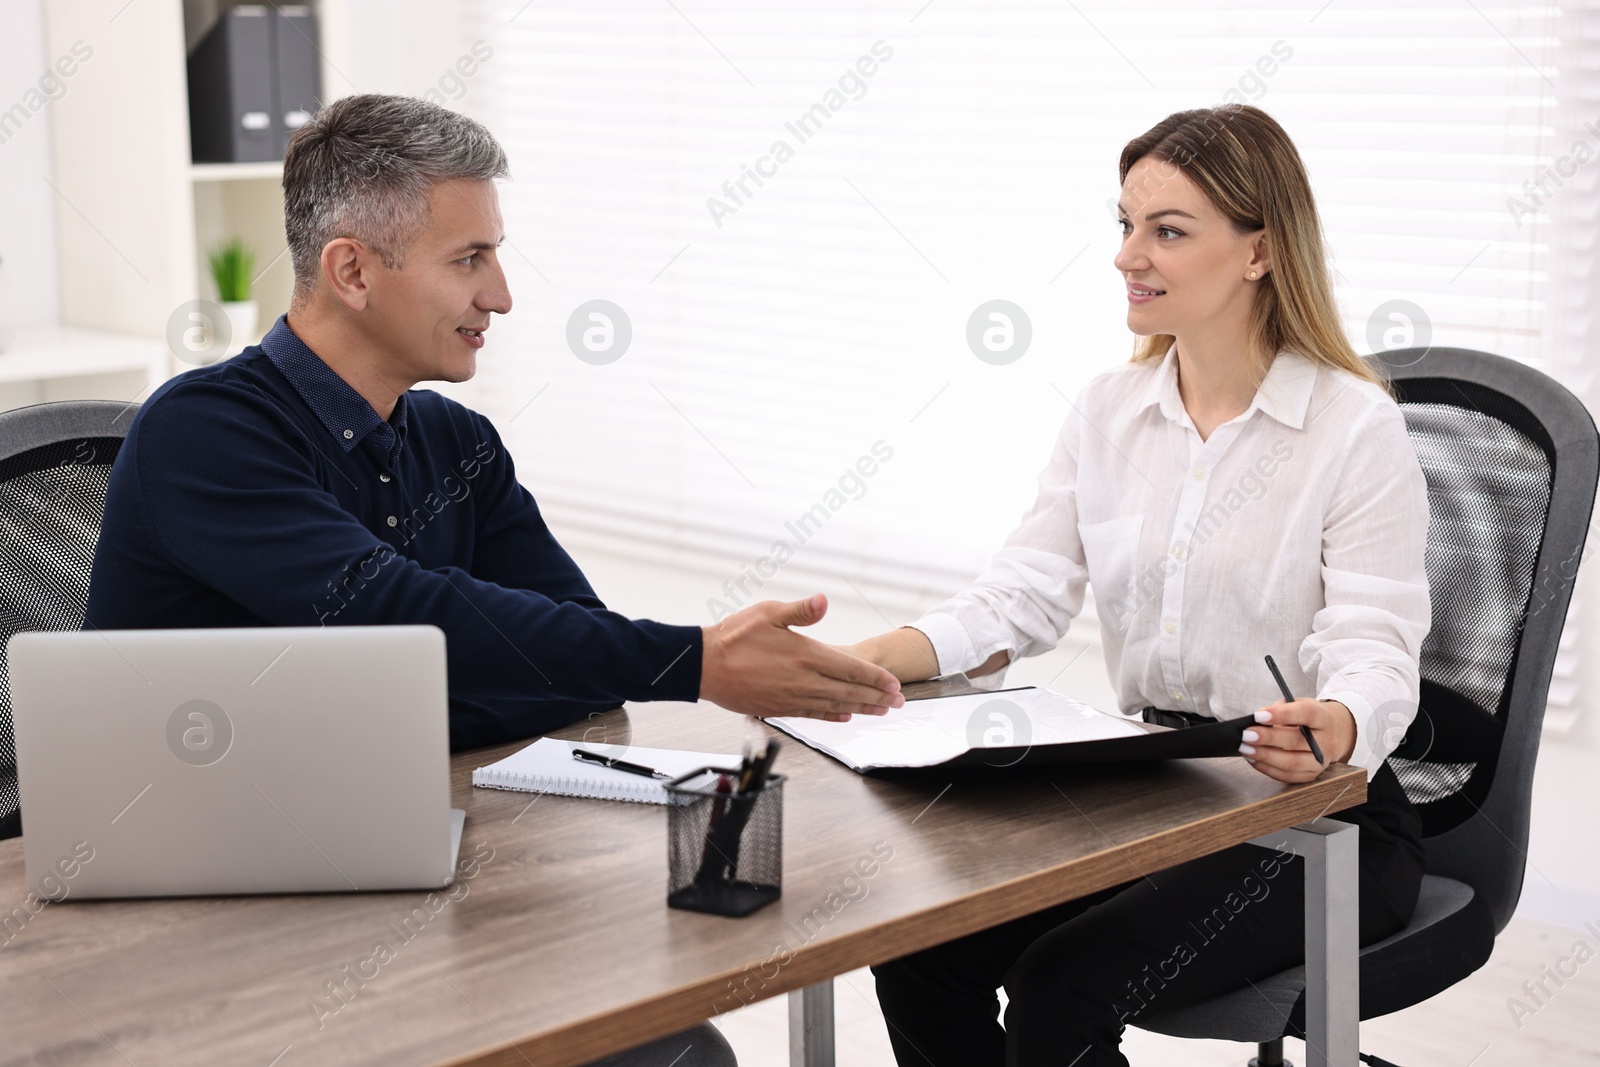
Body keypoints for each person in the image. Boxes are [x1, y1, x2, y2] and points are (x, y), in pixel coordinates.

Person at [84, 93, 904, 1067]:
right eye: (468, 259)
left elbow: (575, 657)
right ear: (351, 268)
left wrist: (494, 660)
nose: (503, 295)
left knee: (681, 1052)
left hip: (418, 874)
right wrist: (694, 660)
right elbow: (389, 610)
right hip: (206, 919)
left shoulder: (455, 441)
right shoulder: (204, 432)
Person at [853, 105, 1430, 1066]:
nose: (1129, 255)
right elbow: (1019, 598)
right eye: (1125, 224)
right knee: (922, 945)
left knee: (1062, 980)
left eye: (1168, 231)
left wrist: (1335, 720)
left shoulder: (1353, 428)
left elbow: (1374, 642)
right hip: (1157, 792)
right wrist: (860, 662)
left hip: (1319, 816)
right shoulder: (1110, 411)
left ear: (1258, 251)